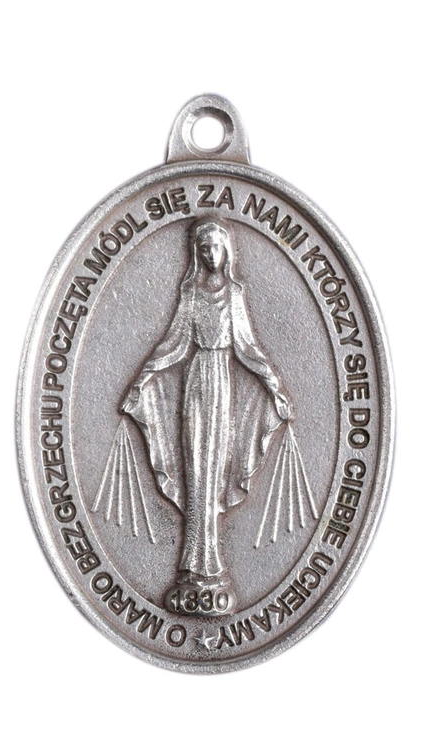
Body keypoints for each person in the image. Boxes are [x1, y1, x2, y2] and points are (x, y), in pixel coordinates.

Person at [117, 218, 291, 605]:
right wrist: (143, 377)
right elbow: (175, 343)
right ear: (197, 254)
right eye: (204, 249)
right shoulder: (191, 294)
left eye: (216, 247)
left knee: (214, 469)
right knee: (195, 468)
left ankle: (211, 560)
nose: (211, 254)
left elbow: (247, 347)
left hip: (221, 385)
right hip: (195, 385)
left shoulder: (234, 294)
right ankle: (191, 560)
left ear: (226, 251)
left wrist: (273, 386)